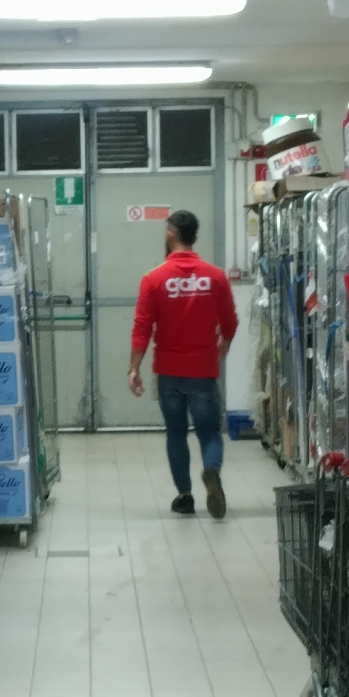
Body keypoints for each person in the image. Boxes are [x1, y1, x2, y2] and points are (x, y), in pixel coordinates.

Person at [128, 209, 241, 518]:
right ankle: (211, 470)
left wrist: (134, 367)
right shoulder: (215, 277)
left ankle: (185, 496)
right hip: (203, 370)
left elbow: (142, 327)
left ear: (171, 234)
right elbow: (230, 321)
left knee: (176, 434)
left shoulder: (154, 279)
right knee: (209, 432)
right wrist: (223, 346)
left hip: (169, 373)